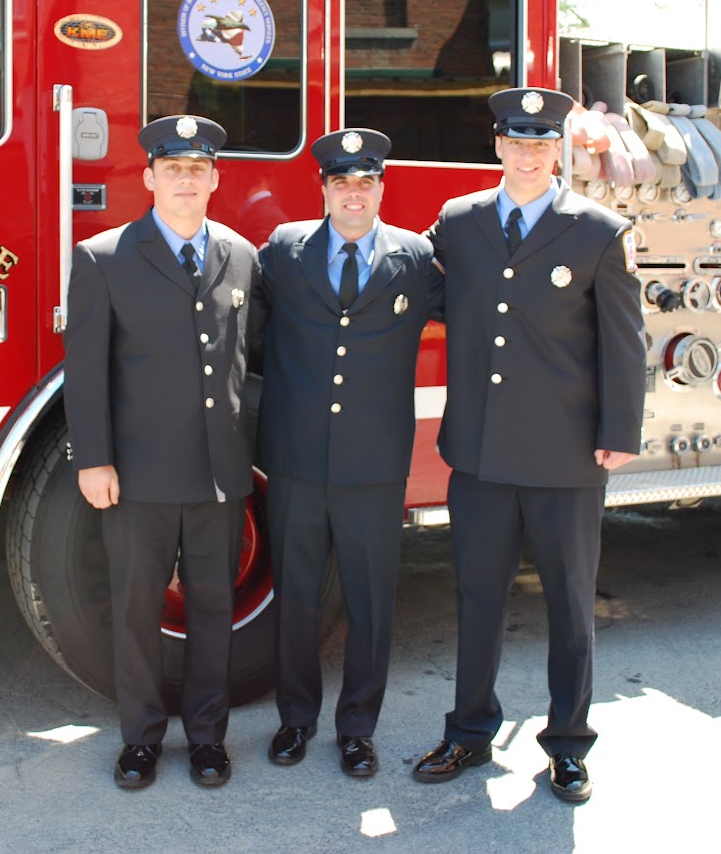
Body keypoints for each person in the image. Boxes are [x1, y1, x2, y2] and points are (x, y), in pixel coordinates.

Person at [412, 87, 646, 803]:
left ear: (557, 152)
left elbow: (624, 343)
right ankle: (469, 732)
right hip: (480, 455)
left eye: (541, 144)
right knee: (477, 598)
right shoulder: (459, 221)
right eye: (516, 142)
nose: (528, 155)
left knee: (572, 607)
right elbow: (414, 283)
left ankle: (568, 745)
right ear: (498, 146)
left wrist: (619, 433)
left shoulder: (599, 231)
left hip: (565, 456)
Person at [63, 114, 260, 791]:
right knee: (136, 611)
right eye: (172, 168)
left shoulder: (239, 253)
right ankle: (141, 739)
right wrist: (94, 459)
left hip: (218, 476)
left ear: (215, 176)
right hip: (138, 477)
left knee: (213, 612)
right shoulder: (104, 256)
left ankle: (207, 737)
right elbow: (85, 373)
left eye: (197, 168)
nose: (186, 179)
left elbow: (241, 362)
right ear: (148, 177)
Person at [250, 128, 440, 779]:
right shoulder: (282, 251)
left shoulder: (416, 258)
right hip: (297, 459)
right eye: (341, 183)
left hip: (374, 466)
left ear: (381, 189)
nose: (353, 194)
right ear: (323, 188)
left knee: (370, 604)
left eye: (365, 183)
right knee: (297, 598)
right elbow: (248, 334)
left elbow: (484, 316)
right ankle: (295, 719)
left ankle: (357, 728)